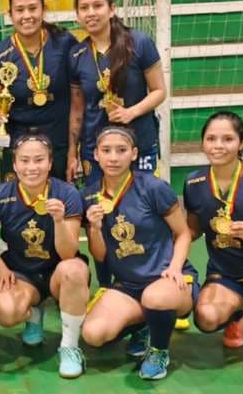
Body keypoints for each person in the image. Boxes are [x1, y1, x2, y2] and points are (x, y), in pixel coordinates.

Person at [80, 126, 198, 380]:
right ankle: (146, 325)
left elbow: (183, 233)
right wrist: (95, 227)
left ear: (134, 154)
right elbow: (99, 256)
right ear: (96, 155)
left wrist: (175, 268)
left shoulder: (153, 187)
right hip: (129, 285)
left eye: (121, 150)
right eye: (106, 151)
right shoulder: (89, 194)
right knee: (93, 334)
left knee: (156, 297)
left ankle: (159, 350)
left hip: (166, 279)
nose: (113, 157)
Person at [0, 132, 89, 377]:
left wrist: (59, 220)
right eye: (24, 161)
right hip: (22, 272)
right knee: (5, 312)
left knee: (75, 269)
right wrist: (1, 268)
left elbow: (69, 252)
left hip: (59, 272)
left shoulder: (67, 194)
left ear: (49, 163)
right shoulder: (0, 195)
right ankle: (33, 312)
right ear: (15, 164)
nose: (32, 167)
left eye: (39, 160)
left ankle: (69, 347)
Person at [68, 0, 166, 185]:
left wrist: (131, 112)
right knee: (100, 209)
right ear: (77, 15)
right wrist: (72, 152)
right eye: (84, 8)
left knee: (141, 205)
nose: (91, 13)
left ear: (112, 9)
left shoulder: (139, 42)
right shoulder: (76, 54)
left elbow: (159, 91)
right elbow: (77, 111)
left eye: (98, 5)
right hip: (95, 147)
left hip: (138, 140)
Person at [0, 0, 79, 182]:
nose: (26, 15)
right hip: (19, 149)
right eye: (19, 10)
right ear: (10, 14)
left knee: (59, 205)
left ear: (43, 9)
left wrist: (73, 151)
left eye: (33, 8)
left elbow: (77, 100)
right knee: (18, 209)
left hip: (58, 146)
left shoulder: (65, 43)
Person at [184, 111, 243, 348]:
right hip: (228, 276)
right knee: (206, 318)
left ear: (242, 143)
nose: (218, 146)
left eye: (228, 139)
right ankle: (236, 312)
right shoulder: (193, 183)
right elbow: (192, 230)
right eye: (211, 139)